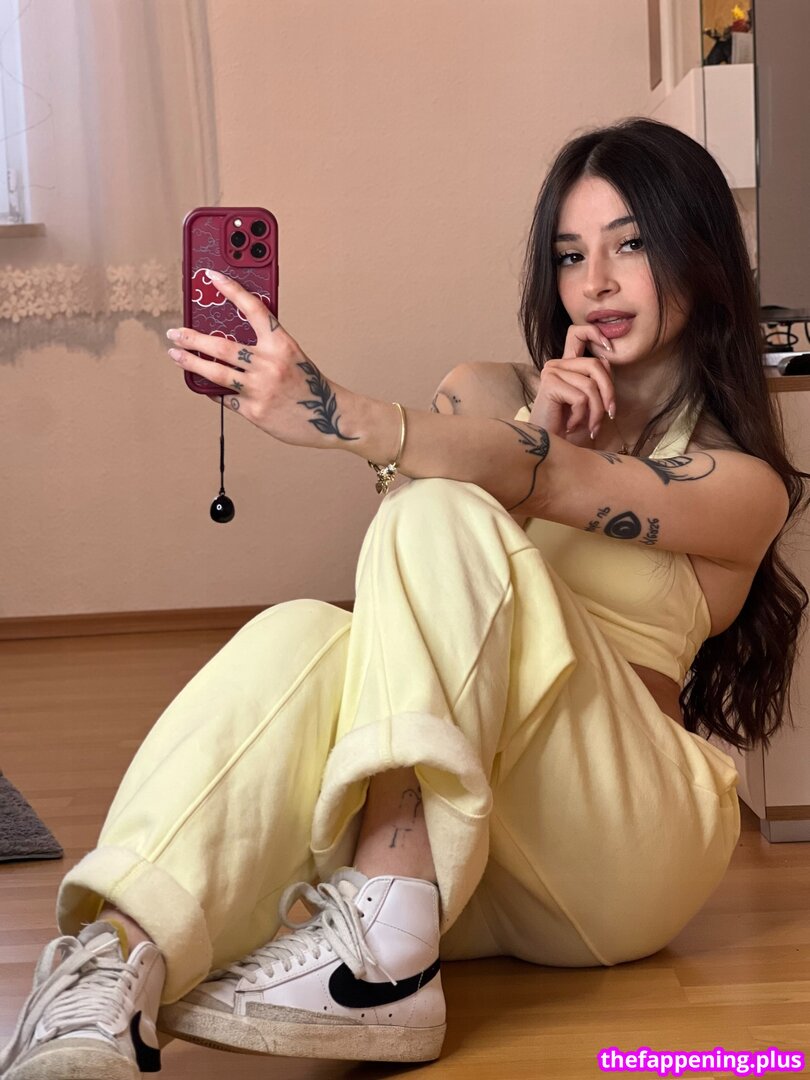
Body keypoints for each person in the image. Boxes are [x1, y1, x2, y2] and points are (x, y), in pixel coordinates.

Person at [2, 115, 807, 1080]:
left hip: (619, 852)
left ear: (701, 254)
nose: (595, 282)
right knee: (303, 631)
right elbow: (415, 578)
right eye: (570, 255)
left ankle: (380, 942)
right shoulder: (484, 395)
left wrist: (339, 414)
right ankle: (113, 969)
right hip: (470, 858)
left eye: (630, 244)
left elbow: (559, 482)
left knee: (442, 507)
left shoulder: (741, 481)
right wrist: (531, 422)